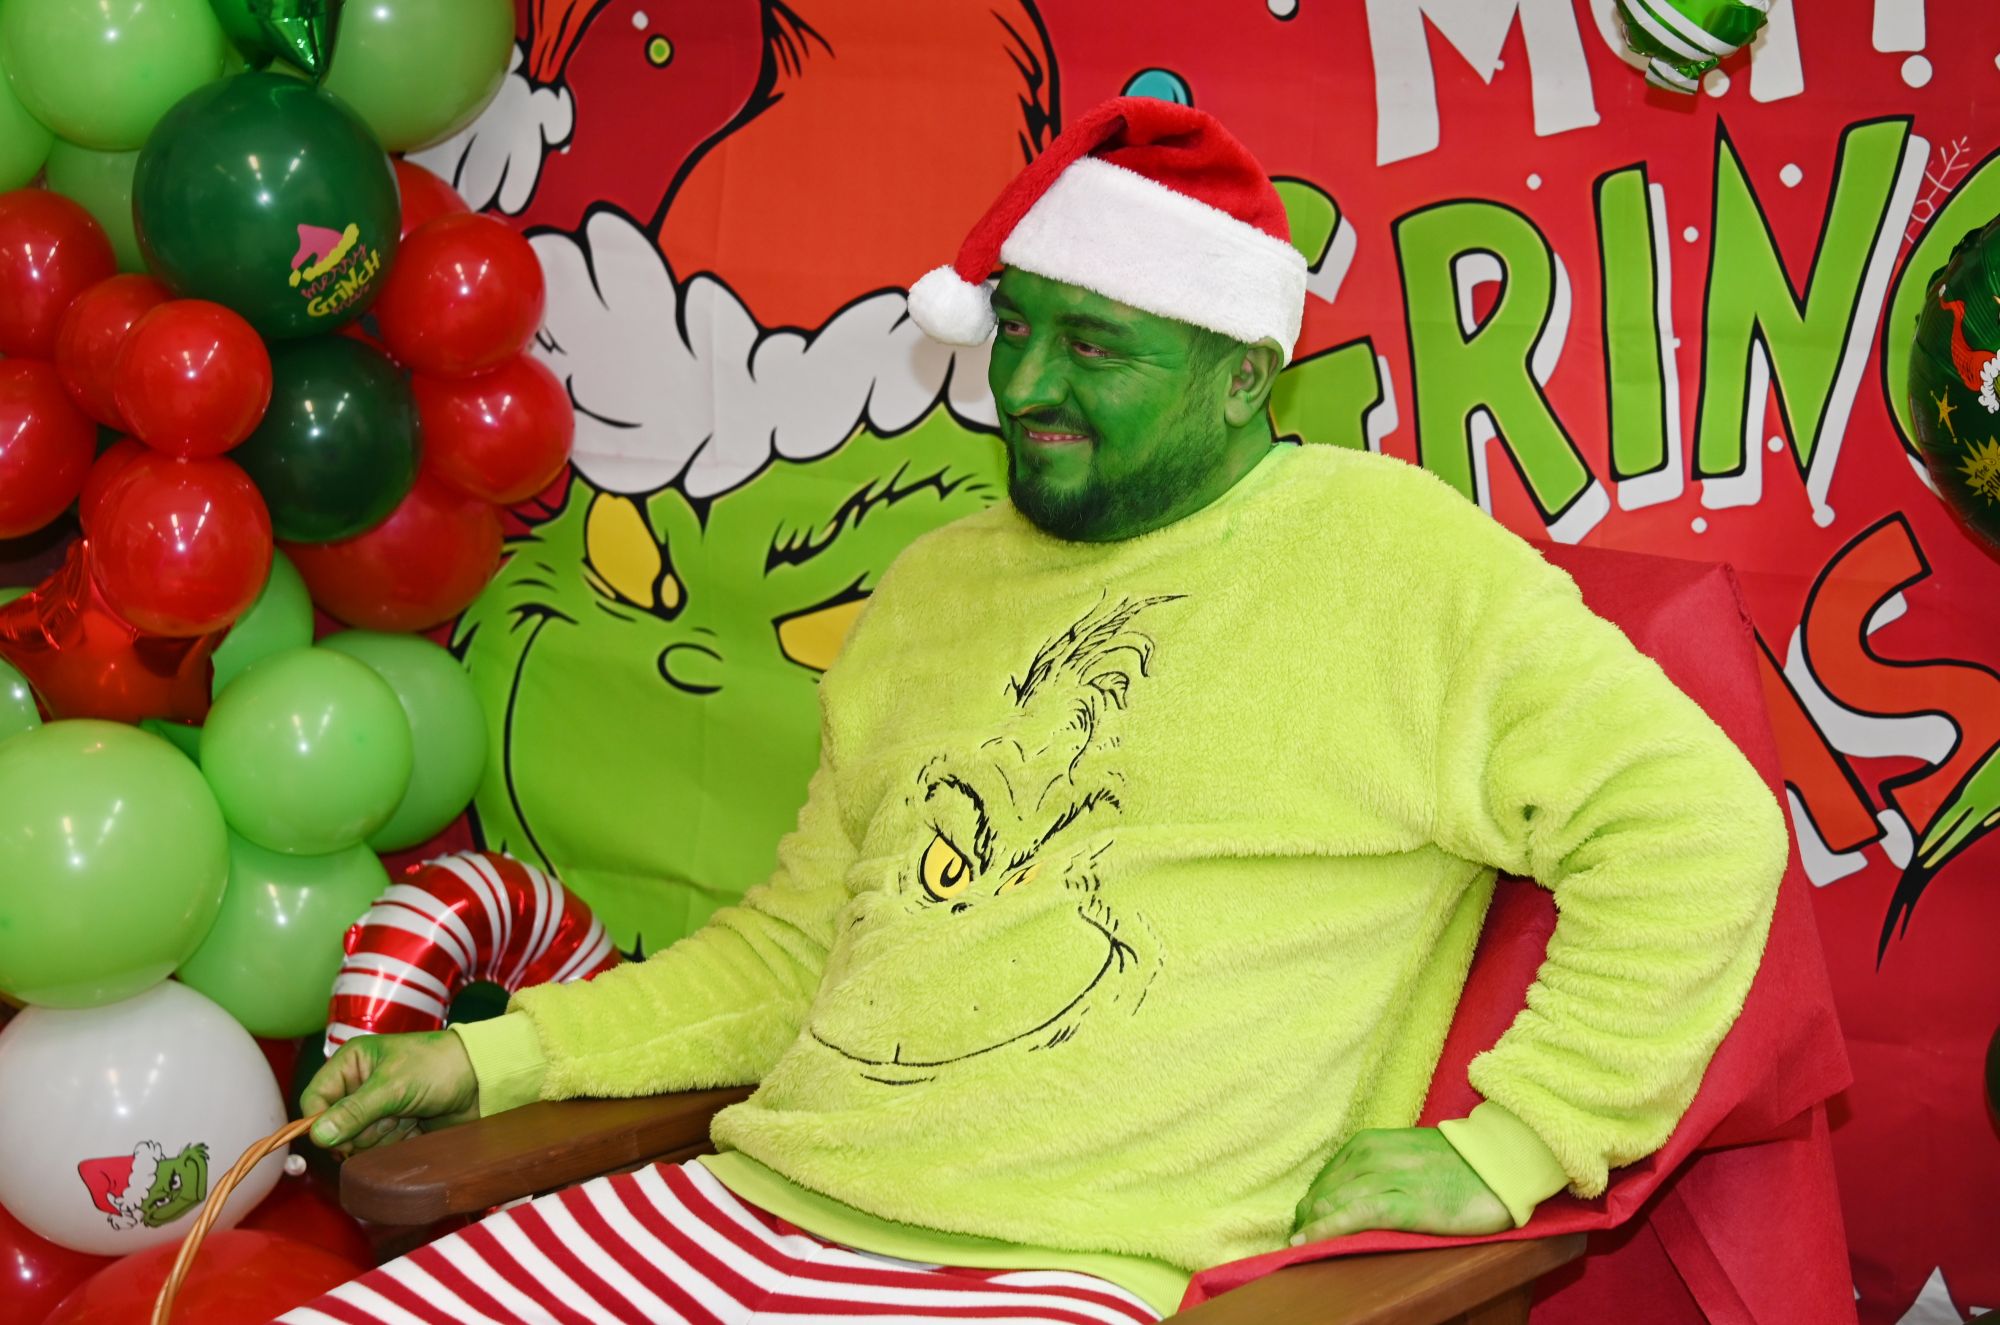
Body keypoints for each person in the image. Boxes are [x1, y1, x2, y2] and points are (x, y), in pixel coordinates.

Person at [290, 98, 1786, 1325]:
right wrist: (489, 1060)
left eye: (1097, 346)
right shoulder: (935, 585)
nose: (1027, 385)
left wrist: (1512, 1146)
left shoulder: (1398, 561)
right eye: (1016, 329)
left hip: (1071, 1269)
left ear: (1242, 375)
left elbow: (1696, 826)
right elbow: (795, 954)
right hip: (742, 1208)